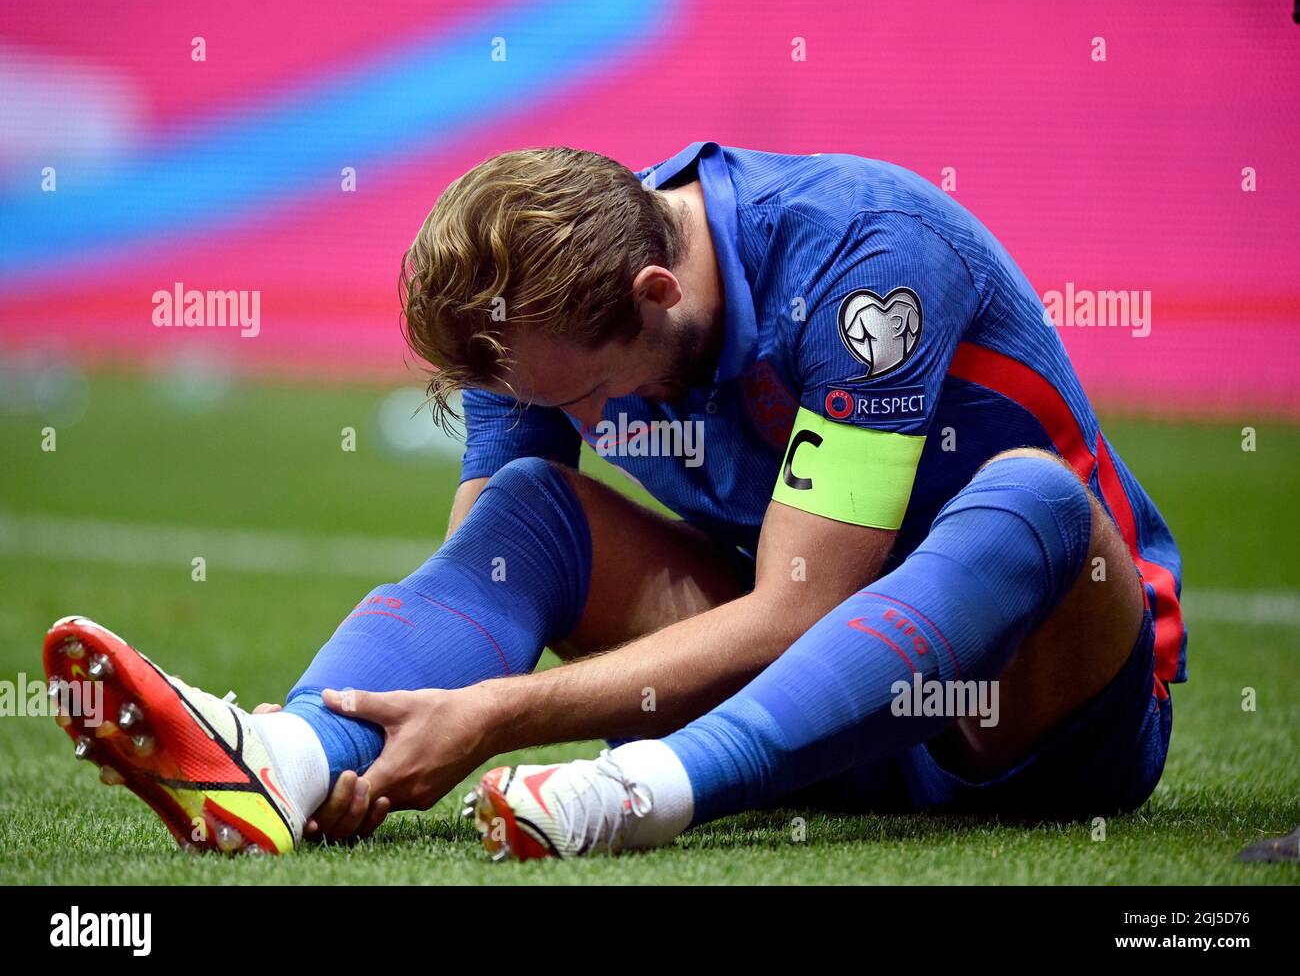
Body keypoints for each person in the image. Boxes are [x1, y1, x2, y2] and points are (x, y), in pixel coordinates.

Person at [43, 143, 1183, 856]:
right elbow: (485, 575)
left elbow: (799, 610)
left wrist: (505, 722)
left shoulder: (862, 263)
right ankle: (281, 763)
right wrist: (387, 742)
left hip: (1026, 716)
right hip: (811, 721)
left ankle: (640, 794)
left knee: (1029, 500)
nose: (576, 411)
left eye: (590, 395)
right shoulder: (532, 311)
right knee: (534, 504)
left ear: (656, 292)